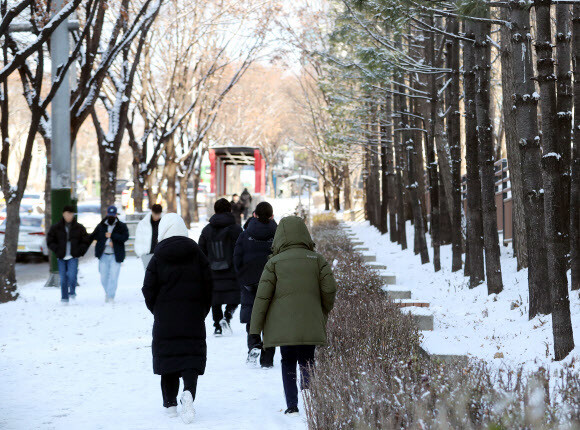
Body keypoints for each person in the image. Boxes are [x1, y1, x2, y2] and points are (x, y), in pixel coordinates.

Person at [250, 216, 337, 415]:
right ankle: (308, 399)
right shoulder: (317, 260)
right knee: (307, 359)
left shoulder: (274, 263)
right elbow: (330, 289)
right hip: (310, 321)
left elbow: (262, 298)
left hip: (283, 325)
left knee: (287, 360)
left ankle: (292, 405)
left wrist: (255, 330)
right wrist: (323, 310)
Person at [142, 213, 212, 423]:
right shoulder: (197, 254)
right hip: (193, 316)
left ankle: (170, 403)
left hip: (166, 318)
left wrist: (157, 310)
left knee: (168, 357)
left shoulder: (157, 257)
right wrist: (202, 311)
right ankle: (188, 391)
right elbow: (209, 286)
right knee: (190, 356)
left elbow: (148, 289)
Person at [233, 202, 277, 368]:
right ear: (272, 216)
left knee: (252, 316)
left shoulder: (245, 235)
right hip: (272, 283)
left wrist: (243, 278)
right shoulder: (279, 234)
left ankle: (254, 345)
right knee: (270, 319)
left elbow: (236, 258)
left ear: (254, 215)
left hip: (249, 282)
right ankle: (267, 359)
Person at [198, 198, 242, 336]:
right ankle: (227, 316)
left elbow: (201, 251)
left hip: (212, 271)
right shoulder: (236, 229)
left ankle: (217, 326)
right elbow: (241, 249)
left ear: (215, 211)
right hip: (232, 271)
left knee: (215, 300)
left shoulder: (207, 230)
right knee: (236, 297)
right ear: (230, 210)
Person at [46, 205, 90, 304]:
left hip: (73, 256)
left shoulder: (79, 227)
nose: (68, 216)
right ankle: (64, 297)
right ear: (63, 214)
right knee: (63, 277)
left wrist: (80, 251)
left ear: (73, 215)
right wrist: (56, 249)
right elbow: (50, 240)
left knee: (72, 275)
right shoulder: (56, 227)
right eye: (66, 214)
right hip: (61, 256)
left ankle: (72, 292)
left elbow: (86, 241)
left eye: (70, 214)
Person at [89, 205, 129, 302]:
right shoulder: (101, 225)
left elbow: (125, 237)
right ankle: (107, 293)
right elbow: (92, 236)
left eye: (113, 215)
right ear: (107, 214)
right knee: (103, 277)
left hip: (116, 255)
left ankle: (111, 296)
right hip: (103, 255)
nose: (111, 216)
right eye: (109, 214)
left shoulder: (121, 226)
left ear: (116, 215)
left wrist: (113, 237)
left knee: (114, 277)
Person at [134, 204, 163, 268]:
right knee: (149, 275)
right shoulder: (143, 223)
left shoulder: (164, 223)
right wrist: (140, 252)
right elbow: (139, 238)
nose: (157, 216)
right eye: (155, 214)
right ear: (152, 212)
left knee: (161, 275)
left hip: (161, 254)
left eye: (158, 214)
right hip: (147, 254)